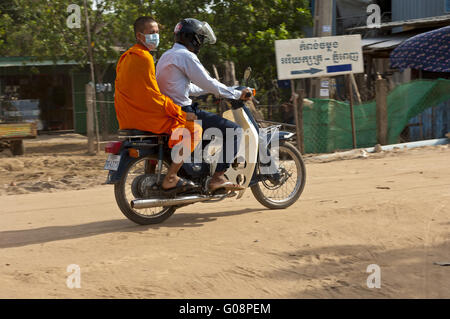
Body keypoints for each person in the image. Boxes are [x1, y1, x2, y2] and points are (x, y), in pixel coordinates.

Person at [156, 18, 252, 192]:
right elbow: (209, 82)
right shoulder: (186, 56)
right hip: (183, 111)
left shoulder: (167, 55)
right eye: (200, 38)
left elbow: (185, 87)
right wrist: (237, 93)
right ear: (192, 38)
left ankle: (198, 171)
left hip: (168, 110)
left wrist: (213, 90)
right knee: (234, 131)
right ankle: (218, 177)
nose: (201, 42)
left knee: (210, 131)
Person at [114, 16, 202, 193]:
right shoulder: (144, 58)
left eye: (157, 32)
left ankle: (151, 173)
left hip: (127, 117)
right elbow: (151, 96)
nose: (156, 36)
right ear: (140, 36)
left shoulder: (126, 57)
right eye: (152, 33)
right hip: (143, 116)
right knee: (193, 129)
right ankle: (171, 177)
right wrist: (178, 111)